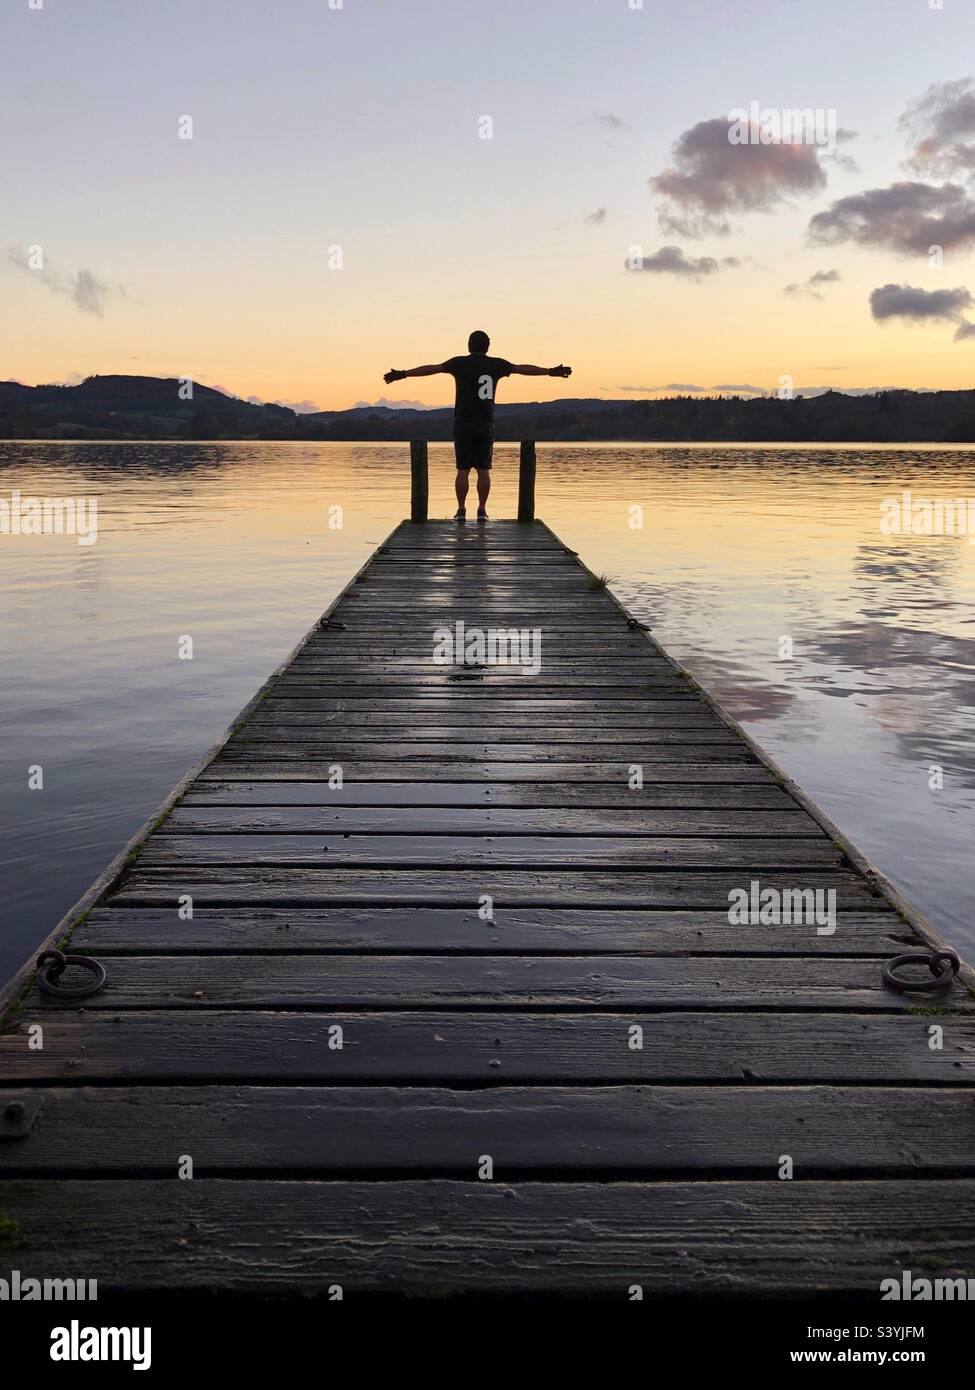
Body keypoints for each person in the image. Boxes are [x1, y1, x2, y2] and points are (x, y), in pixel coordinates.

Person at [384, 331, 571, 521]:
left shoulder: (459, 363)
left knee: (462, 470)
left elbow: (431, 369)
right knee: (483, 470)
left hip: (464, 423)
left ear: (469, 346)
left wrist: (404, 374)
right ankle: (482, 510)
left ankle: (461, 510)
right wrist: (549, 371)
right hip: (485, 423)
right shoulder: (496, 364)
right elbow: (524, 369)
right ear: (487, 347)